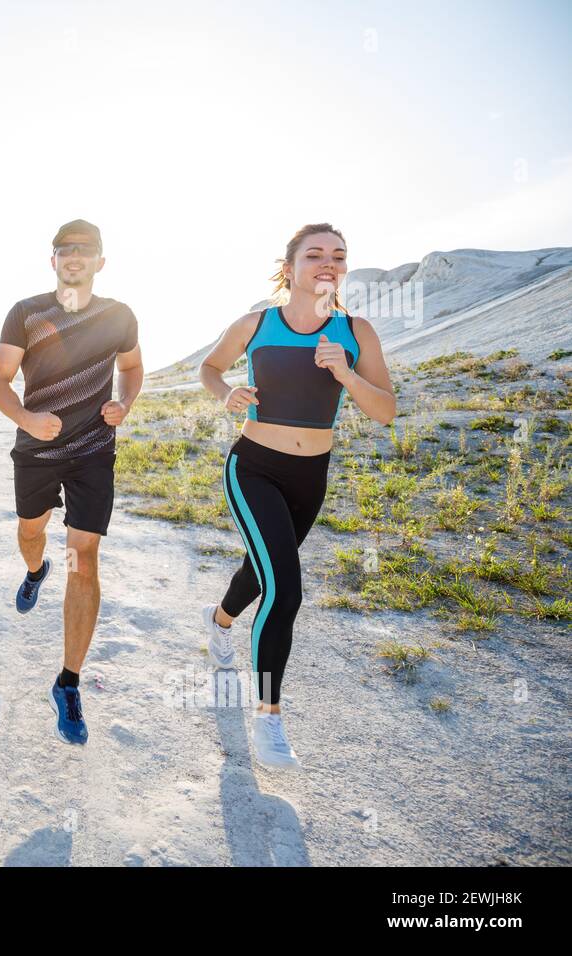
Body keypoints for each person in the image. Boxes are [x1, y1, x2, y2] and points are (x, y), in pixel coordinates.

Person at [199, 222, 395, 768]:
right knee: (285, 591)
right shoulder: (257, 322)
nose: (327, 263)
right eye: (314, 255)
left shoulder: (357, 332)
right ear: (290, 268)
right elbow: (209, 368)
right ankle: (269, 718)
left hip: (311, 475)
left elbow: (385, 411)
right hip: (253, 467)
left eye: (338, 255)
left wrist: (345, 373)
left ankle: (217, 621)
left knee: (261, 571)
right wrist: (227, 393)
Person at [0, 220, 143, 744]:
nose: (75, 257)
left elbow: (133, 368)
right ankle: (35, 570)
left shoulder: (119, 315)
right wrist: (28, 420)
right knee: (31, 534)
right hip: (36, 450)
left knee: (86, 556)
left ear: (101, 261)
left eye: (86, 250)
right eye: (65, 250)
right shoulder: (26, 313)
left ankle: (68, 680)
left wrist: (125, 402)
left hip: (94, 451)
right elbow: (0, 383)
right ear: (51, 260)